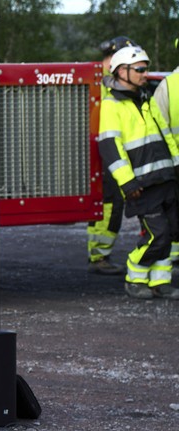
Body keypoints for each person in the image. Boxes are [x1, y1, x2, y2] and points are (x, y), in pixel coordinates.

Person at [96, 44, 178, 299]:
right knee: (158, 234)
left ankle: (159, 282)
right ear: (122, 71)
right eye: (140, 69)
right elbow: (111, 147)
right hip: (141, 185)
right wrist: (127, 182)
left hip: (165, 178)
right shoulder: (112, 105)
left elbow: (165, 135)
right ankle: (135, 275)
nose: (145, 74)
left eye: (146, 69)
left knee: (173, 232)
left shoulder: (146, 100)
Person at [88, 36, 137, 275]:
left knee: (110, 203)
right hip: (104, 150)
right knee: (109, 204)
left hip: (107, 148)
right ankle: (99, 254)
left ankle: (99, 252)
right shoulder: (102, 80)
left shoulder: (103, 78)